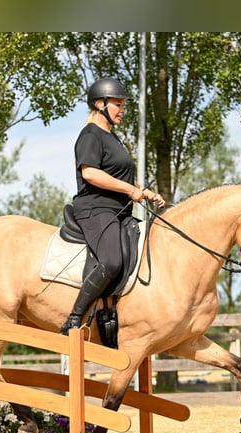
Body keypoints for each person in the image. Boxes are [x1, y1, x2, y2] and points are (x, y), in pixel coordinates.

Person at [60, 77, 165, 335]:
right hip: (96, 210)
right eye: (118, 104)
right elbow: (91, 174)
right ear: (100, 104)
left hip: (120, 212)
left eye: (123, 105)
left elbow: (118, 175)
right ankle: (74, 319)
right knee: (112, 262)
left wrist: (143, 191)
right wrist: (130, 190)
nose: (122, 110)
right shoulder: (90, 135)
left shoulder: (112, 138)